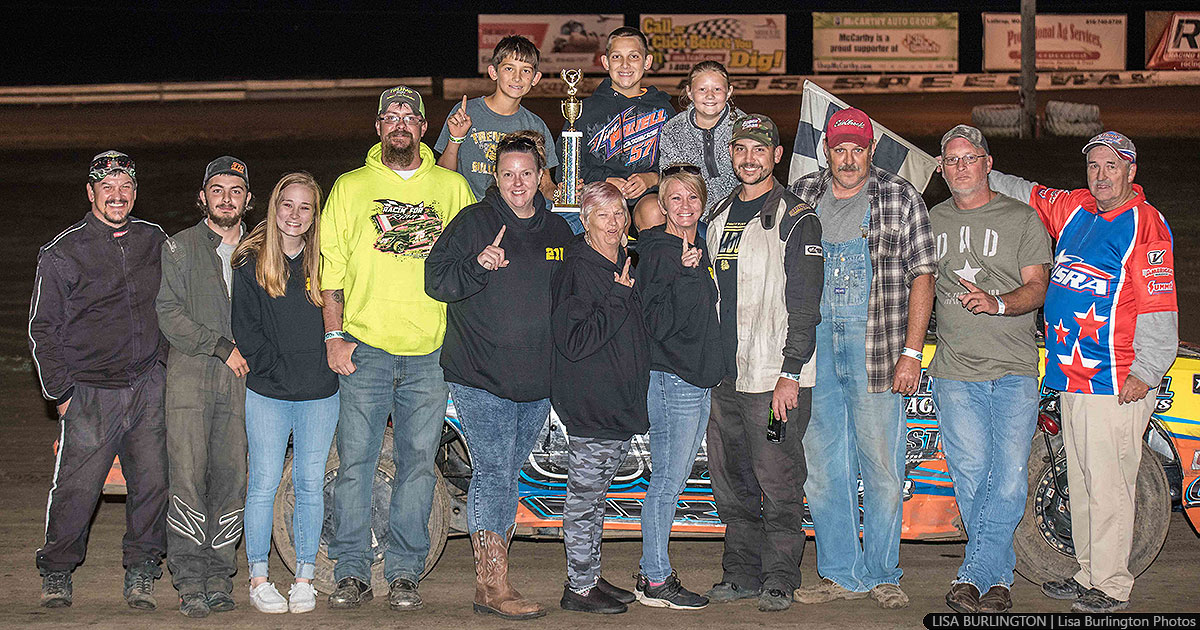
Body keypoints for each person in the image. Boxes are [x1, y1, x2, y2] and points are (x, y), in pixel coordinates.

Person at [988, 131, 1177, 613]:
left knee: (1111, 483)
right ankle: (1089, 571)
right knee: (1085, 480)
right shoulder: (1076, 207)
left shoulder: (1145, 225)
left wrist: (1148, 370)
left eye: (1111, 166)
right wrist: (974, 169)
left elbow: (1159, 307)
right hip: (1069, 376)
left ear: (1131, 172)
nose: (1101, 174)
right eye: (1094, 166)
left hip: (1115, 380)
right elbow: (1024, 191)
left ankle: (1112, 584)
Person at [320, 85, 474, 612]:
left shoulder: (452, 189)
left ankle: (406, 572)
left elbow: (472, 264)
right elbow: (330, 267)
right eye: (391, 114)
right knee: (356, 464)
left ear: (424, 127)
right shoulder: (350, 186)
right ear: (378, 126)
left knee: (416, 465)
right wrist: (333, 335)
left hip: (430, 351)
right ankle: (351, 572)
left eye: (410, 115)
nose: (400, 122)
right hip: (365, 349)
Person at [790, 108, 936, 610]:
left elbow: (923, 276)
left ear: (870, 150)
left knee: (882, 467)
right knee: (824, 466)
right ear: (826, 151)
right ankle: (837, 572)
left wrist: (911, 353)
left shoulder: (899, 198)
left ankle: (881, 572)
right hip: (814, 350)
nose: (848, 159)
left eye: (857, 149)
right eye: (839, 149)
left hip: (877, 347)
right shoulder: (804, 194)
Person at [425, 131, 572, 620]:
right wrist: (477, 264)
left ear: (540, 176)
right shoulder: (474, 222)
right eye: (507, 173)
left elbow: (576, 292)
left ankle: (494, 577)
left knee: (507, 472)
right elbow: (436, 280)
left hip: (536, 382)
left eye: (526, 174)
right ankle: (492, 584)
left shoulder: (557, 231)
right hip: (480, 375)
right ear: (495, 175)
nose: (517, 183)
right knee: (494, 471)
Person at [29, 151, 169, 610]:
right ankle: (56, 569)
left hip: (148, 384)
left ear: (134, 192)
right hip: (89, 390)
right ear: (91, 194)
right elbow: (42, 329)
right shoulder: (62, 252)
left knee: (151, 482)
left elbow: (174, 304)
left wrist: (164, 370)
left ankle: (143, 570)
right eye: (106, 187)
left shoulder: (154, 240)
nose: (117, 195)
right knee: (77, 487)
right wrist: (62, 393)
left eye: (125, 186)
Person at [926, 126, 1052, 614]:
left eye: (969, 158)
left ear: (987, 162)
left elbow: (1038, 286)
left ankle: (973, 573)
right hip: (955, 373)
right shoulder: (931, 219)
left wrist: (998, 304)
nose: (960, 167)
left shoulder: (1021, 218)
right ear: (941, 167)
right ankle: (997, 581)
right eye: (951, 160)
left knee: (1010, 481)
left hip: (1014, 368)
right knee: (972, 477)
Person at [702, 114, 823, 612]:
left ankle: (779, 577)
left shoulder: (797, 217)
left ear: (776, 156)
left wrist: (790, 372)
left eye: (759, 149)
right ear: (731, 155)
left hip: (774, 381)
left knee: (777, 478)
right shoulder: (717, 215)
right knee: (732, 482)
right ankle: (740, 574)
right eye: (740, 149)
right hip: (725, 380)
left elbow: (805, 303)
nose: (748, 158)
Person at [230, 172, 339, 614]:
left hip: (319, 392)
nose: (295, 215)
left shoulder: (329, 262)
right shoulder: (251, 263)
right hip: (269, 392)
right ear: (274, 208)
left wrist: (319, 370)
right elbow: (247, 334)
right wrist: (280, 371)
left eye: (305, 207)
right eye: (287, 205)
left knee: (311, 485)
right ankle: (258, 577)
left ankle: (305, 577)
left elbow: (338, 323)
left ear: (316, 215)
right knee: (263, 484)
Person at [157, 155, 252, 617]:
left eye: (236, 190)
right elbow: (169, 313)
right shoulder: (178, 248)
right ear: (202, 197)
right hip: (192, 377)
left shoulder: (259, 250)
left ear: (248, 200)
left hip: (243, 382)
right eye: (217, 189)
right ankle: (189, 580)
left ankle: (220, 577)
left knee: (232, 478)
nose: (226, 198)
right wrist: (219, 345)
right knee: (189, 479)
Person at [551, 182, 649, 615]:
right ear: (586, 222)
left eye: (620, 214)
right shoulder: (577, 270)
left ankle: (589, 575)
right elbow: (574, 341)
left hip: (618, 403)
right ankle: (578, 587)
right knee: (584, 499)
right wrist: (618, 296)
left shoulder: (623, 263)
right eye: (604, 216)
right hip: (591, 404)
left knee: (596, 499)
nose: (615, 223)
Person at [631, 165, 724, 609]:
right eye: (675, 199)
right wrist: (688, 276)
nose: (684, 207)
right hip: (673, 381)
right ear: (661, 205)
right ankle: (654, 579)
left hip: (696, 379)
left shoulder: (697, 247)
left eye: (692, 199)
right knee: (667, 482)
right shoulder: (659, 253)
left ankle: (651, 571)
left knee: (673, 479)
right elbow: (659, 324)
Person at [567, 26, 674, 232]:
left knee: (654, 211)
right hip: (600, 194)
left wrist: (651, 178)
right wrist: (603, 181)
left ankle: (657, 262)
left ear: (647, 62)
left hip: (647, 194)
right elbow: (568, 168)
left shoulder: (663, 110)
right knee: (611, 212)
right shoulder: (586, 110)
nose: (625, 64)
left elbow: (677, 165)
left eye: (634, 56)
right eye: (617, 57)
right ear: (606, 62)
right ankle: (612, 263)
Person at [436, 35, 558, 203]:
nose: (517, 77)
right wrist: (455, 138)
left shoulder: (536, 125)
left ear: (535, 78)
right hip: (468, 212)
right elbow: (443, 176)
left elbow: (545, 185)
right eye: (509, 68)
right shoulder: (465, 112)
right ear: (493, 72)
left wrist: (564, 194)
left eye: (526, 70)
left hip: (513, 217)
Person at [658, 61, 744, 216]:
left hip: (740, 212)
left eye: (717, 89)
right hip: (693, 216)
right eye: (702, 89)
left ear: (729, 91)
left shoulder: (744, 127)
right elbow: (670, 185)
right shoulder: (673, 130)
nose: (710, 95)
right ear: (689, 92)